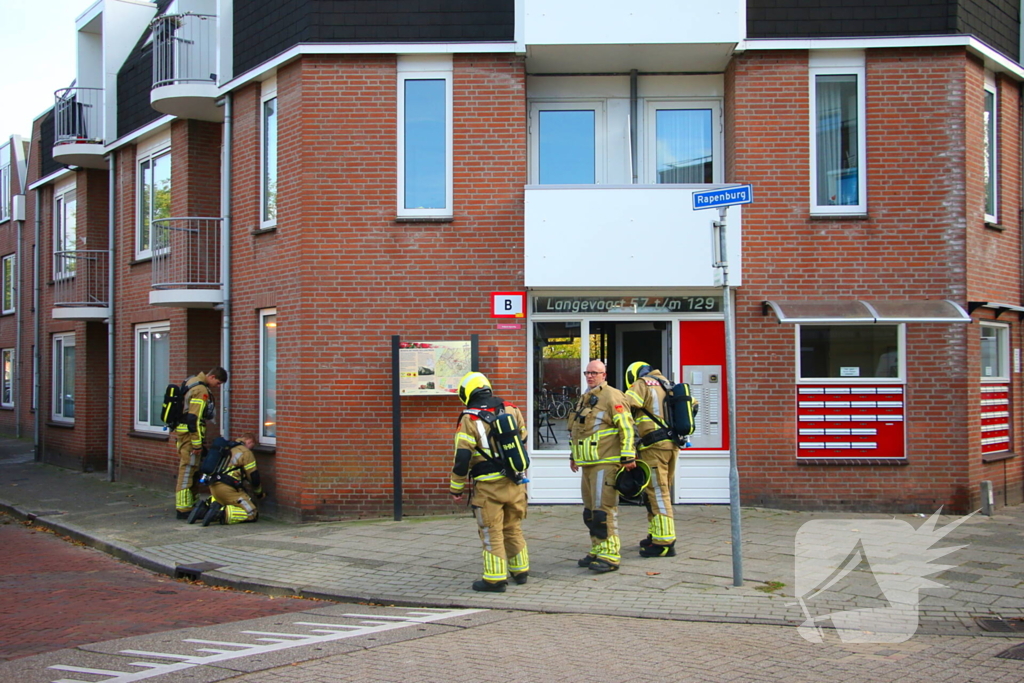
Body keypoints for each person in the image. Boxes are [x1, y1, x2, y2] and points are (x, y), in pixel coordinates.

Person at [450, 371, 530, 593]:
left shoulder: (469, 418)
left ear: (467, 392)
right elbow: (522, 438)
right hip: (516, 482)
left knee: (491, 530)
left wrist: (456, 487)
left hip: (488, 487)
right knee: (513, 527)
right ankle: (520, 571)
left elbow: (462, 457)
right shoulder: (511, 408)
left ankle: (494, 579)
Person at [569, 360, 636, 573]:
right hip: (587, 464)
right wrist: (574, 456)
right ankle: (597, 549)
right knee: (590, 512)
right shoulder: (585, 398)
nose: (590, 376)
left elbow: (626, 426)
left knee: (603, 510)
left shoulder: (613, 396)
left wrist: (627, 456)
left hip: (605, 462)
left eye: (595, 373)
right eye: (587, 372)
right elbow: (579, 430)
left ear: (604, 375)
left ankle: (610, 555)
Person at [623, 361, 679, 558]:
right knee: (658, 490)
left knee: (657, 492)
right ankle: (656, 533)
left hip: (654, 446)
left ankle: (664, 543)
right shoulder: (668, 383)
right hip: (671, 445)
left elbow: (624, 406)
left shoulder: (642, 384)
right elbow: (693, 405)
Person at [174, 366, 228, 519]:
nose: (217, 387)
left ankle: (191, 504)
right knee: (188, 470)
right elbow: (194, 419)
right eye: (218, 383)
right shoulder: (201, 390)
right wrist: (197, 444)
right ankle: (183, 509)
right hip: (189, 438)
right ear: (212, 377)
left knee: (192, 470)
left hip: (184, 435)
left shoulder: (191, 380)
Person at [193, 432, 264, 525]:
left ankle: (203, 510)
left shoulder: (228, 447)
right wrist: (259, 493)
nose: (252, 449)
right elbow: (254, 477)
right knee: (251, 513)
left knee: (225, 502)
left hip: (213, 486)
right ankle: (219, 514)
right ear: (250, 442)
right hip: (227, 488)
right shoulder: (246, 452)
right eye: (252, 446)